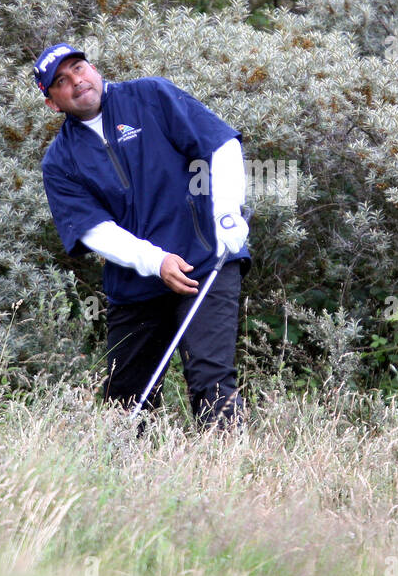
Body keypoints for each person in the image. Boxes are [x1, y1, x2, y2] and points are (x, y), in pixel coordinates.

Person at [35, 43, 251, 430]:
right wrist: (157, 261)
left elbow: (221, 145)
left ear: (95, 69)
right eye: (62, 82)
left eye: (80, 68)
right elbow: (94, 231)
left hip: (205, 260)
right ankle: (132, 479)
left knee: (210, 379)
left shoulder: (151, 95)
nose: (77, 81)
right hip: (135, 286)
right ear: (53, 103)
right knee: (125, 401)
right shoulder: (59, 161)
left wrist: (226, 214)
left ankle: (229, 473)